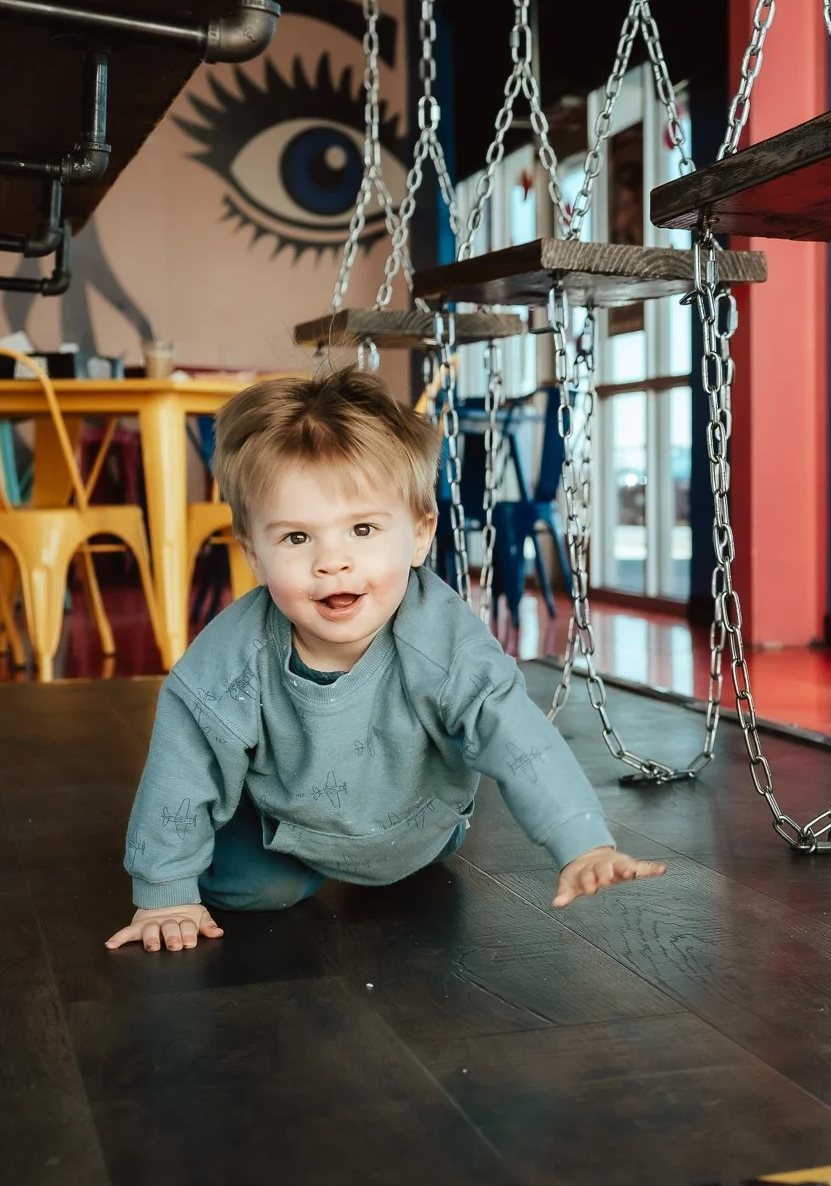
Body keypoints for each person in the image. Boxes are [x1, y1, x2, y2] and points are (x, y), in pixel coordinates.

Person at [106, 368, 663, 953]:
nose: (332, 561)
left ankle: (403, 846)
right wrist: (165, 893)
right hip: (286, 830)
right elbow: (182, 768)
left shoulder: (445, 644)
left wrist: (583, 844)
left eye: (363, 529)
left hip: (418, 829)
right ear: (254, 554)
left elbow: (519, 737)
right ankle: (262, 852)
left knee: (421, 848)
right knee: (256, 889)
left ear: (420, 536)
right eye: (297, 538)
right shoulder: (231, 660)